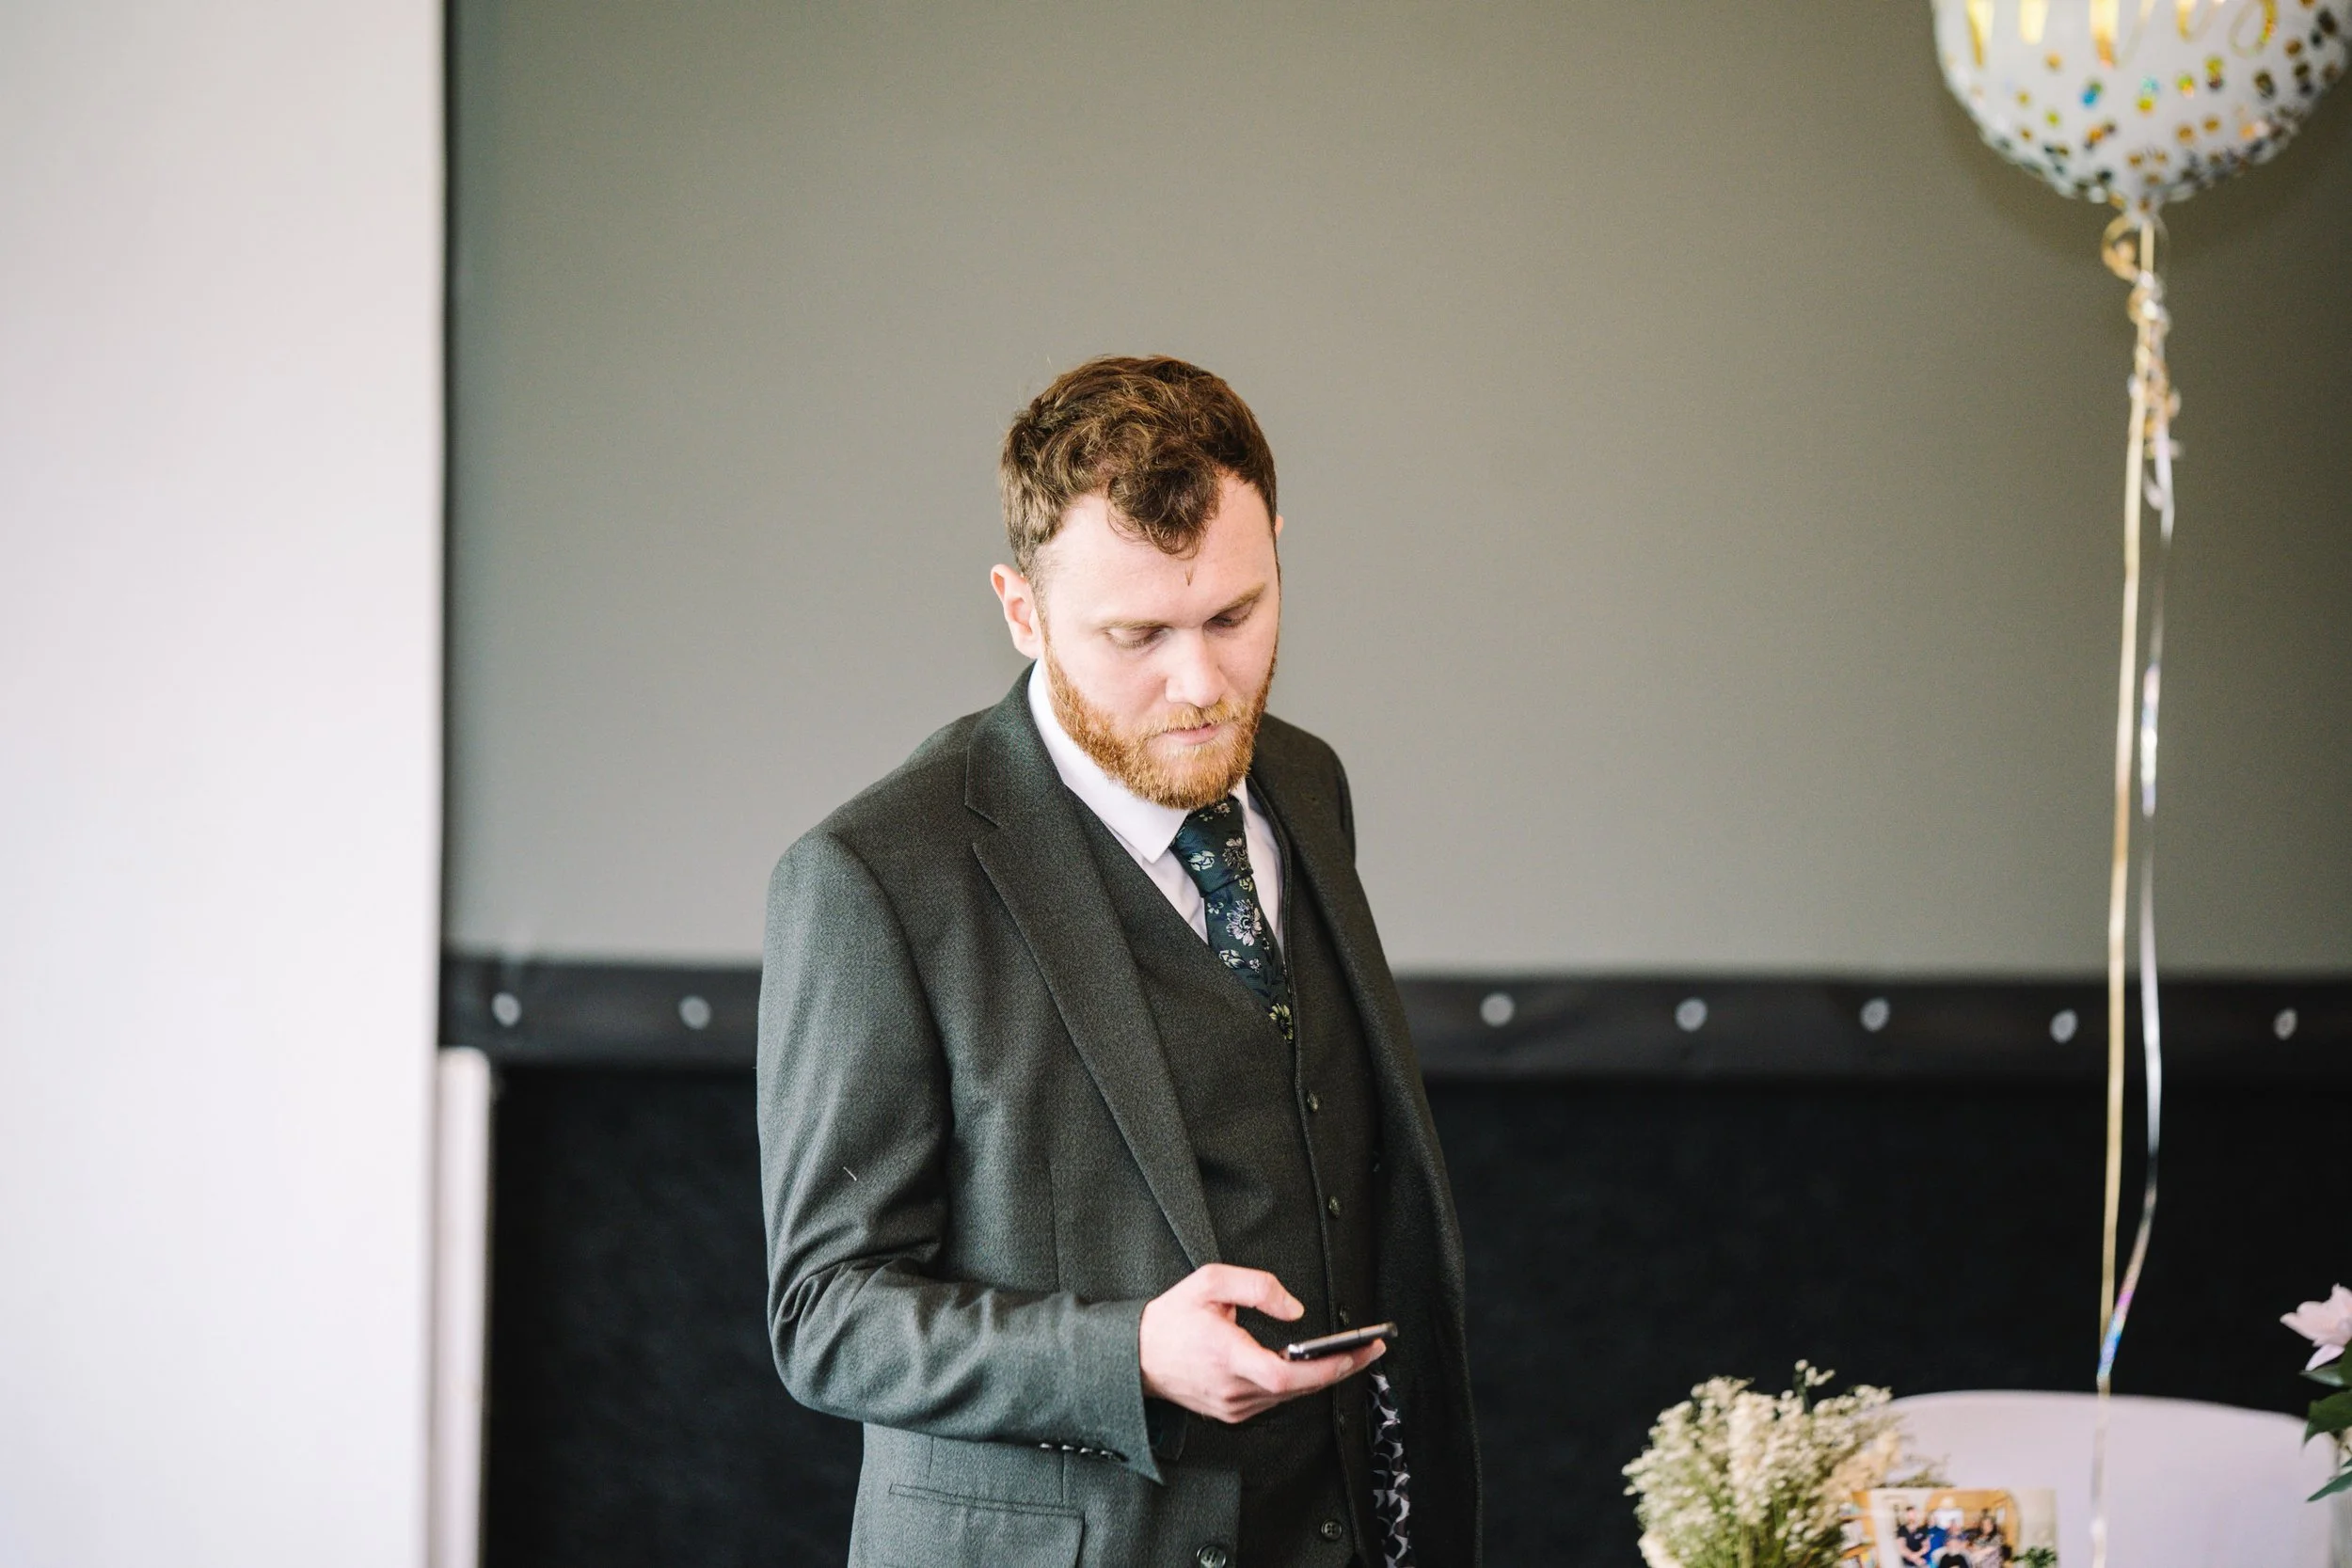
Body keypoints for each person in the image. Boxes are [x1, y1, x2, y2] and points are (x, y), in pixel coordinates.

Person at [756, 356, 1481, 1568]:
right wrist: (1128, 1354)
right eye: (1137, 634)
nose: (1201, 685)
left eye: (1235, 616)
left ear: (1277, 554)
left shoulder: (1307, 782)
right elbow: (826, 1317)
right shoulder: (871, 877)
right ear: (1021, 610)